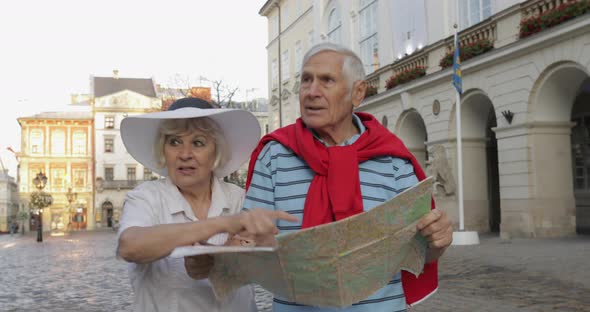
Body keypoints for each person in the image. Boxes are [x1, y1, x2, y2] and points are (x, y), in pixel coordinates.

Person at [243, 43, 453, 311]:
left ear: (358, 92)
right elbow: (248, 241)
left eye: (326, 80)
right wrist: (242, 245)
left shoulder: (394, 159)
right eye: (306, 80)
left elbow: (419, 254)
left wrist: (438, 241)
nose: (311, 92)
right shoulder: (274, 154)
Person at [116, 97, 298, 312]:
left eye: (198, 143)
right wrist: (219, 225)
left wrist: (219, 261)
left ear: (216, 152)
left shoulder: (240, 198)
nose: (184, 154)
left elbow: (271, 261)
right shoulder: (146, 197)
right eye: (174, 142)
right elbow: (130, 247)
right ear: (163, 150)